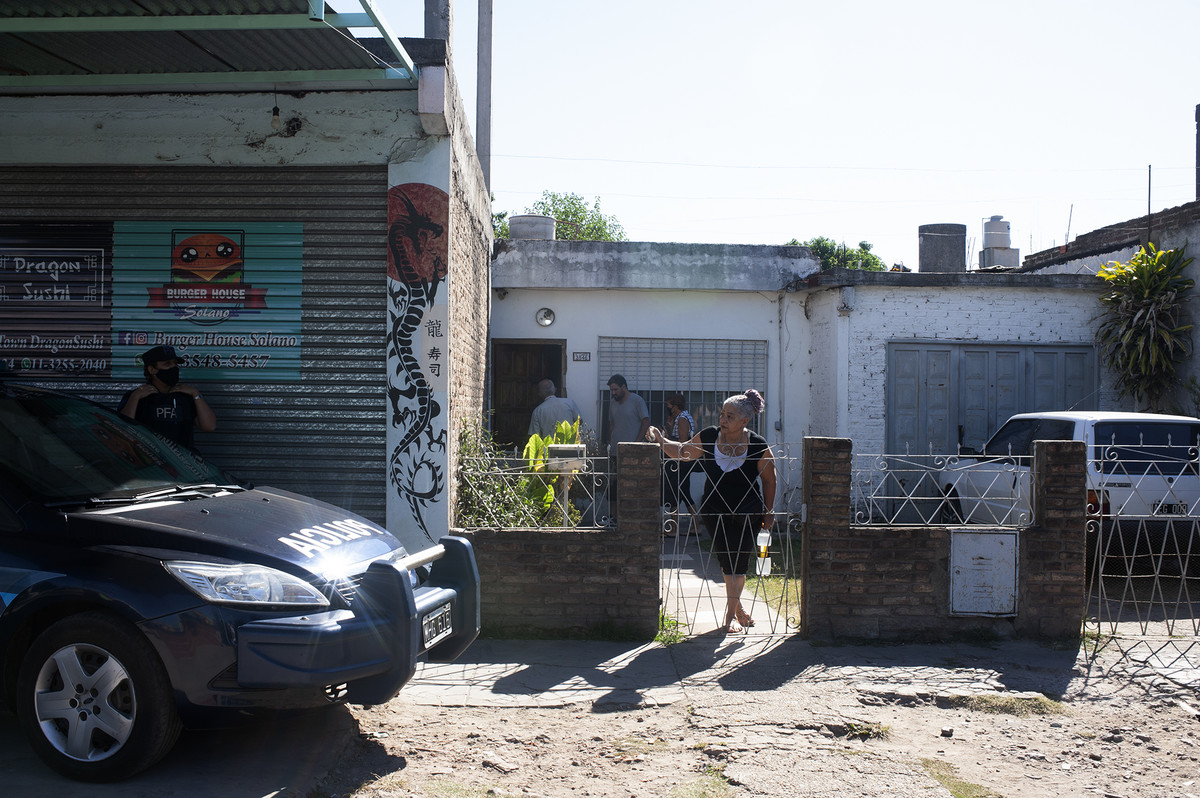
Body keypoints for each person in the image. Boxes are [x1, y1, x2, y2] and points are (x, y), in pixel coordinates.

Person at [648, 389, 776, 635]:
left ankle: (728, 620)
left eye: (729, 416)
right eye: (722, 414)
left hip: (747, 513)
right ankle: (737, 609)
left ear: (744, 421)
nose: (722, 420)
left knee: (739, 564)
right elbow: (683, 453)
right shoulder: (709, 437)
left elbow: (770, 480)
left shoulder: (758, 445)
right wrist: (661, 441)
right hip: (715, 510)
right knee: (727, 564)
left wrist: (768, 512)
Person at [119, 345, 216, 450]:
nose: (173, 368)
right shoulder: (137, 397)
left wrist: (196, 394)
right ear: (152, 369)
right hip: (150, 461)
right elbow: (122, 428)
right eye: (167, 364)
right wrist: (135, 397)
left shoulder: (185, 396)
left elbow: (209, 426)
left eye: (175, 363)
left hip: (181, 462)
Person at [661, 393, 697, 530]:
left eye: (669, 406)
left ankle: (674, 528)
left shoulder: (682, 419)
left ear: (675, 407)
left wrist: (666, 439)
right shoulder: (682, 418)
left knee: (675, 492)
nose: (668, 409)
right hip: (682, 460)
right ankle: (696, 526)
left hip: (681, 461)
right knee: (684, 493)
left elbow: (682, 443)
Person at [605, 374, 650, 460]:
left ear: (624, 387)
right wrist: (610, 444)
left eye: (615, 389)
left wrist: (637, 443)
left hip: (633, 451)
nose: (613, 393)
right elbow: (612, 424)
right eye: (611, 390)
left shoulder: (637, 401)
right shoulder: (612, 403)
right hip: (615, 450)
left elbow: (646, 422)